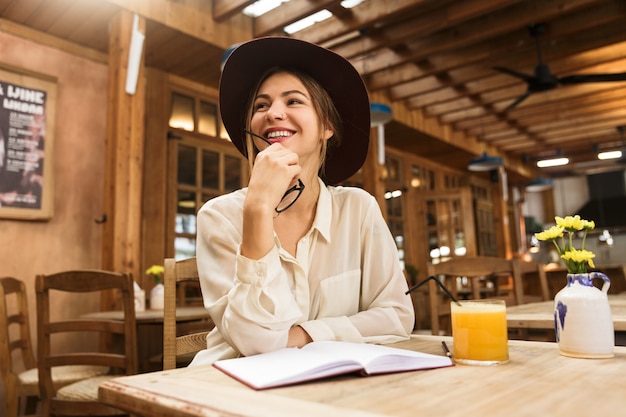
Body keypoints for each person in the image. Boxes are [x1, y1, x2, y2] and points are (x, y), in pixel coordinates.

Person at [191, 37, 414, 366]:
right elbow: (255, 341)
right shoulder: (221, 216)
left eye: (293, 101)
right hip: (234, 388)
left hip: (333, 388)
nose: (273, 113)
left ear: (327, 126)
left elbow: (396, 317)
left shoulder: (358, 209)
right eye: (261, 106)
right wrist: (258, 207)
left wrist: (304, 335)